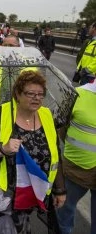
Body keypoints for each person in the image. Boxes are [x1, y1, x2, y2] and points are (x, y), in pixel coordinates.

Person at [0, 70, 66, 233]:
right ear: (18, 93)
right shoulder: (1, 114)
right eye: (31, 93)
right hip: (4, 194)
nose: (37, 98)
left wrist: (59, 190)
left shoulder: (46, 115)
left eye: (40, 94)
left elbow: (55, 153)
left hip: (31, 191)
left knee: (22, 225)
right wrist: (2, 149)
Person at [56, 79, 96, 234]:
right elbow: (62, 128)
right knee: (64, 212)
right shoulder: (77, 94)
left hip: (77, 163)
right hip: (76, 168)